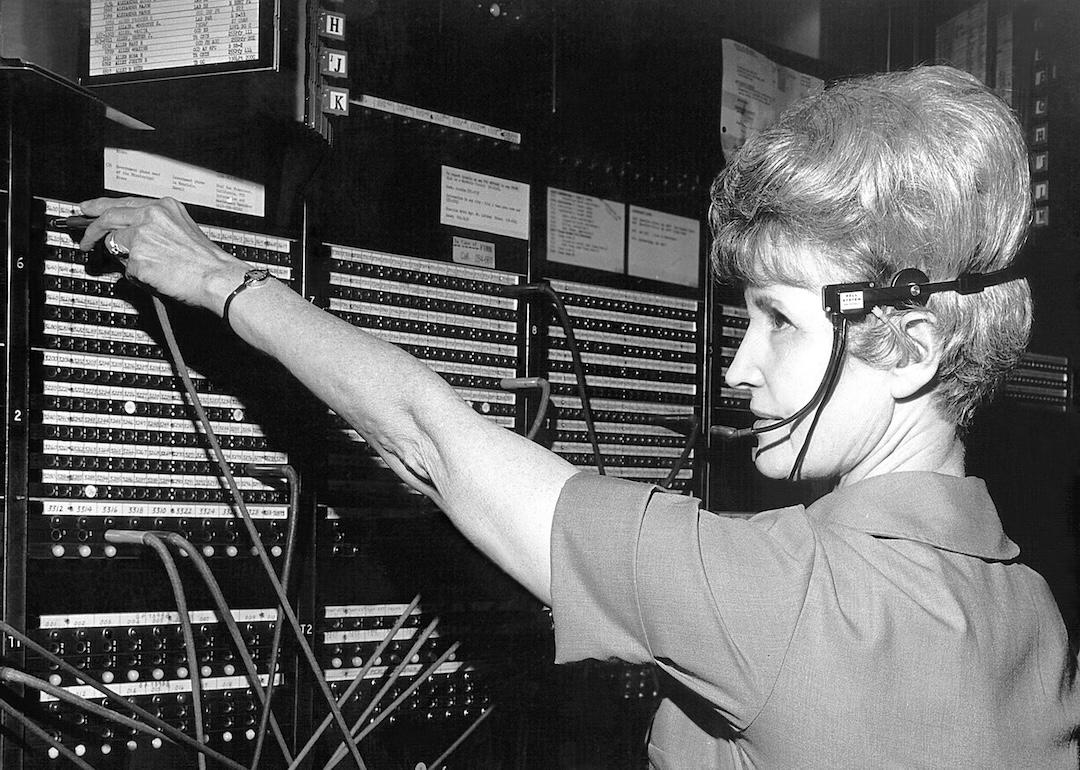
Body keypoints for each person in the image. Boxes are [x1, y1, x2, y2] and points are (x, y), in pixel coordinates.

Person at [78, 64, 1079, 767]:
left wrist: (215, 277)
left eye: (777, 319)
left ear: (903, 345)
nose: (736, 365)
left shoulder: (791, 597)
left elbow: (432, 437)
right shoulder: (1032, 611)